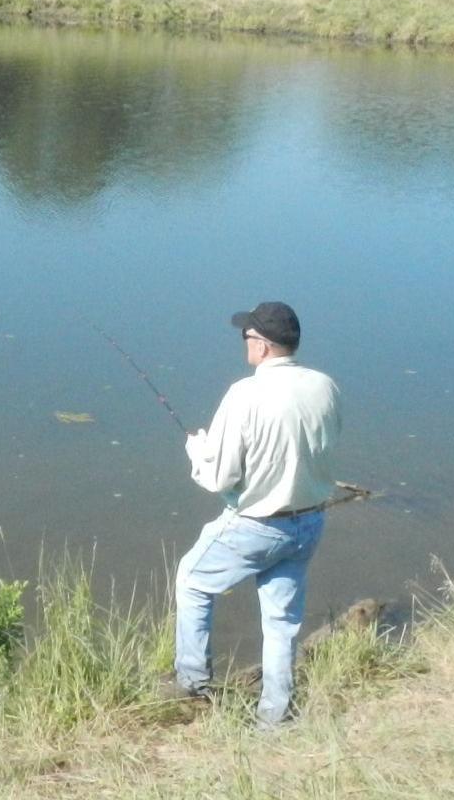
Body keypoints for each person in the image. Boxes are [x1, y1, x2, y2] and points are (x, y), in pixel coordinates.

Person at [174, 300, 342, 727]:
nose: (243, 344)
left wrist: (197, 450)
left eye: (246, 337)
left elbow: (219, 477)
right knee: (281, 621)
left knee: (192, 581)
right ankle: (275, 716)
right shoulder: (326, 386)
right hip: (310, 521)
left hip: (257, 524)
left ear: (263, 346)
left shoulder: (245, 393)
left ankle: (192, 685)